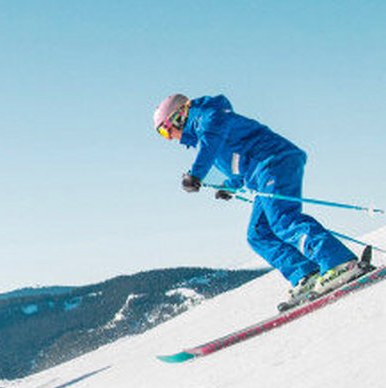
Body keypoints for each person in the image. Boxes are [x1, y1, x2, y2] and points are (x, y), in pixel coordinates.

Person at [153, 93, 366, 308]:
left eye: (164, 130)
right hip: (261, 173)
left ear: (179, 116)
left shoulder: (209, 117)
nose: (168, 137)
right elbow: (238, 167)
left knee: (283, 220)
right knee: (258, 234)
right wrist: (229, 187)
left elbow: (211, 142)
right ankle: (306, 274)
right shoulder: (207, 134)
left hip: (275, 162)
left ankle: (340, 263)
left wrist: (196, 174)